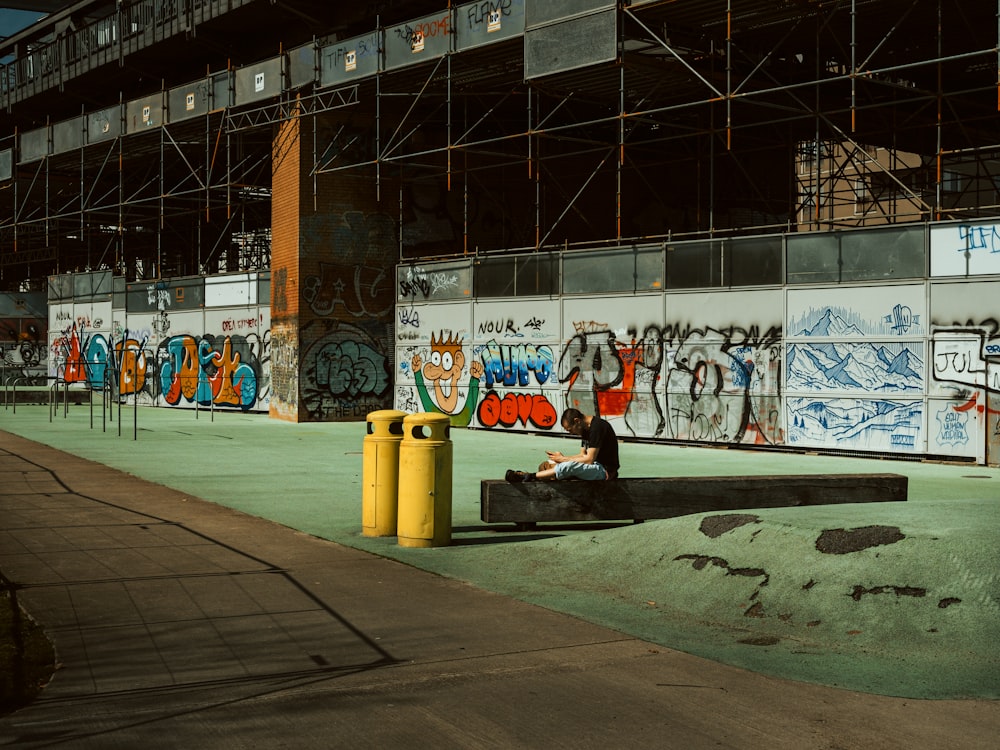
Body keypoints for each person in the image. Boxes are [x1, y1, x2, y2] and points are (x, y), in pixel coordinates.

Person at [505, 408, 619, 483]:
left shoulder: (597, 428)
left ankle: (529, 476)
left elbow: (589, 459)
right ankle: (553, 474)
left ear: (577, 421)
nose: (571, 433)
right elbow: (582, 455)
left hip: (605, 471)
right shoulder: (585, 429)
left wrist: (564, 460)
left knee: (567, 466)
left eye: (570, 430)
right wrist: (561, 458)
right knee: (549, 464)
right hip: (594, 465)